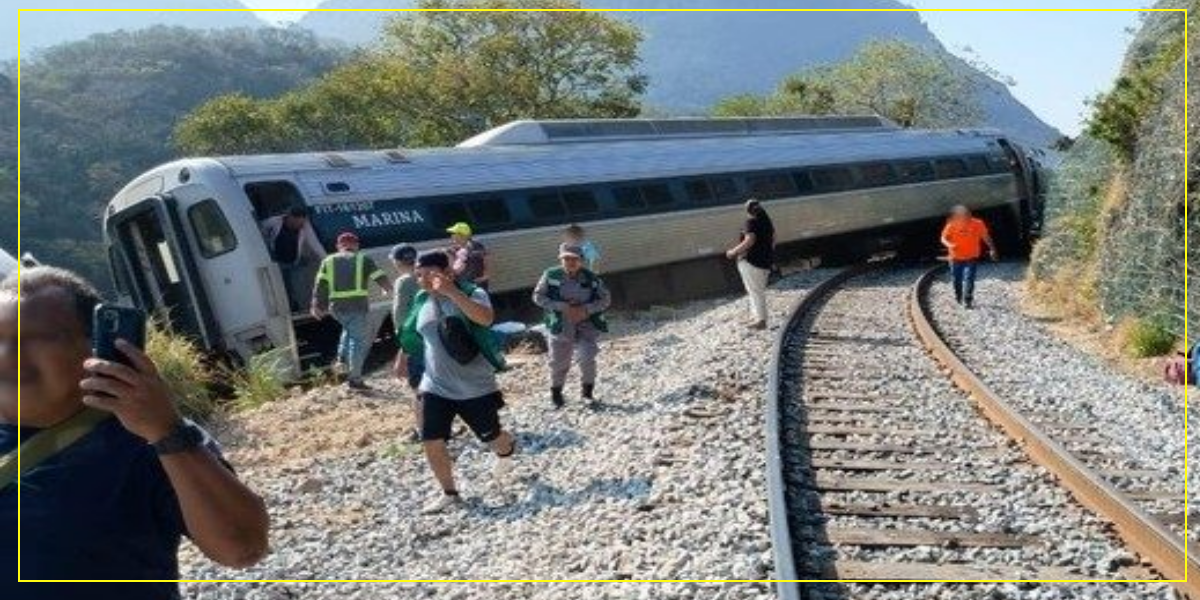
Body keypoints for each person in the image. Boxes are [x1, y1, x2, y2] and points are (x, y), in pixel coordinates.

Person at [1, 267, 268, 600]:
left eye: (35, 338)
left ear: (98, 347)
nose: (6, 356)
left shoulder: (145, 440)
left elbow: (243, 548)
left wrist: (166, 432)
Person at [397, 251, 515, 514]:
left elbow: (485, 318)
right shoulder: (421, 300)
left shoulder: (472, 293)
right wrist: (402, 357)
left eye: (429, 274)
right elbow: (413, 332)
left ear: (448, 273)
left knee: (493, 437)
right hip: (434, 385)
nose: (422, 280)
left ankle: (506, 450)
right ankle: (449, 493)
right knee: (431, 438)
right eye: (418, 275)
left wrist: (452, 292)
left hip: (475, 386)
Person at [532, 243, 612, 408]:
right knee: (559, 362)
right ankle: (556, 394)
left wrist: (587, 309)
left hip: (586, 324)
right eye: (566, 259)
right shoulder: (550, 275)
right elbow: (538, 297)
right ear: (561, 260)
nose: (570, 262)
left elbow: (605, 299)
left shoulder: (591, 278)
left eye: (574, 259)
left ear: (581, 260)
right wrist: (562, 306)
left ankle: (587, 393)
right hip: (560, 324)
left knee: (587, 358)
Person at [311, 232, 390, 390]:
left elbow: (321, 284)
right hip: (357, 306)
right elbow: (380, 276)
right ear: (356, 245)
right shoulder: (363, 259)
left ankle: (341, 360)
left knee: (348, 330)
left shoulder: (328, 260)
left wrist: (317, 305)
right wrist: (386, 288)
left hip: (337, 308)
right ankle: (355, 379)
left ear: (339, 246)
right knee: (358, 342)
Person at [260, 205, 326, 312]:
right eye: (297, 223)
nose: (299, 226)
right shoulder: (273, 222)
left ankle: (294, 307)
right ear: (289, 217)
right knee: (280, 287)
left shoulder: (305, 225)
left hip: (292, 262)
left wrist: (327, 260)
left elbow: (315, 244)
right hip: (276, 262)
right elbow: (259, 231)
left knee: (294, 288)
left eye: (301, 223)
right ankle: (285, 308)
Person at [389, 244, 424, 437]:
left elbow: (401, 319)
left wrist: (403, 352)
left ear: (397, 262)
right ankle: (444, 426)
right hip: (434, 337)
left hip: (415, 341)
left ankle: (423, 430)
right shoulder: (426, 275)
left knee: (419, 387)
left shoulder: (404, 282)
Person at [725, 198, 775, 330]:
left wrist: (733, 252)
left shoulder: (750, 222)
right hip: (764, 263)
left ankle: (761, 320)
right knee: (756, 291)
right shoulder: (767, 223)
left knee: (755, 292)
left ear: (748, 211)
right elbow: (773, 241)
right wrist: (767, 253)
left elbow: (750, 240)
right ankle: (757, 317)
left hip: (751, 262)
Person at [940, 205, 998, 309]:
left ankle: (967, 300)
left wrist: (992, 249)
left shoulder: (978, 223)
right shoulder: (951, 224)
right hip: (955, 258)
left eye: (967, 214)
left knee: (969, 278)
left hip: (971, 257)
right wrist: (949, 245)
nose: (965, 217)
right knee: (957, 279)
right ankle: (958, 296)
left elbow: (986, 237)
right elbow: (943, 238)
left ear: (970, 214)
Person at [446, 222, 491, 290]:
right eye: (452, 234)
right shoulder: (454, 249)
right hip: (463, 283)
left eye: (454, 234)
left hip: (477, 283)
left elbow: (485, 261)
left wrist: (485, 276)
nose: (452, 236)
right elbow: (453, 267)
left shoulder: (476, 247)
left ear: (463, 236)